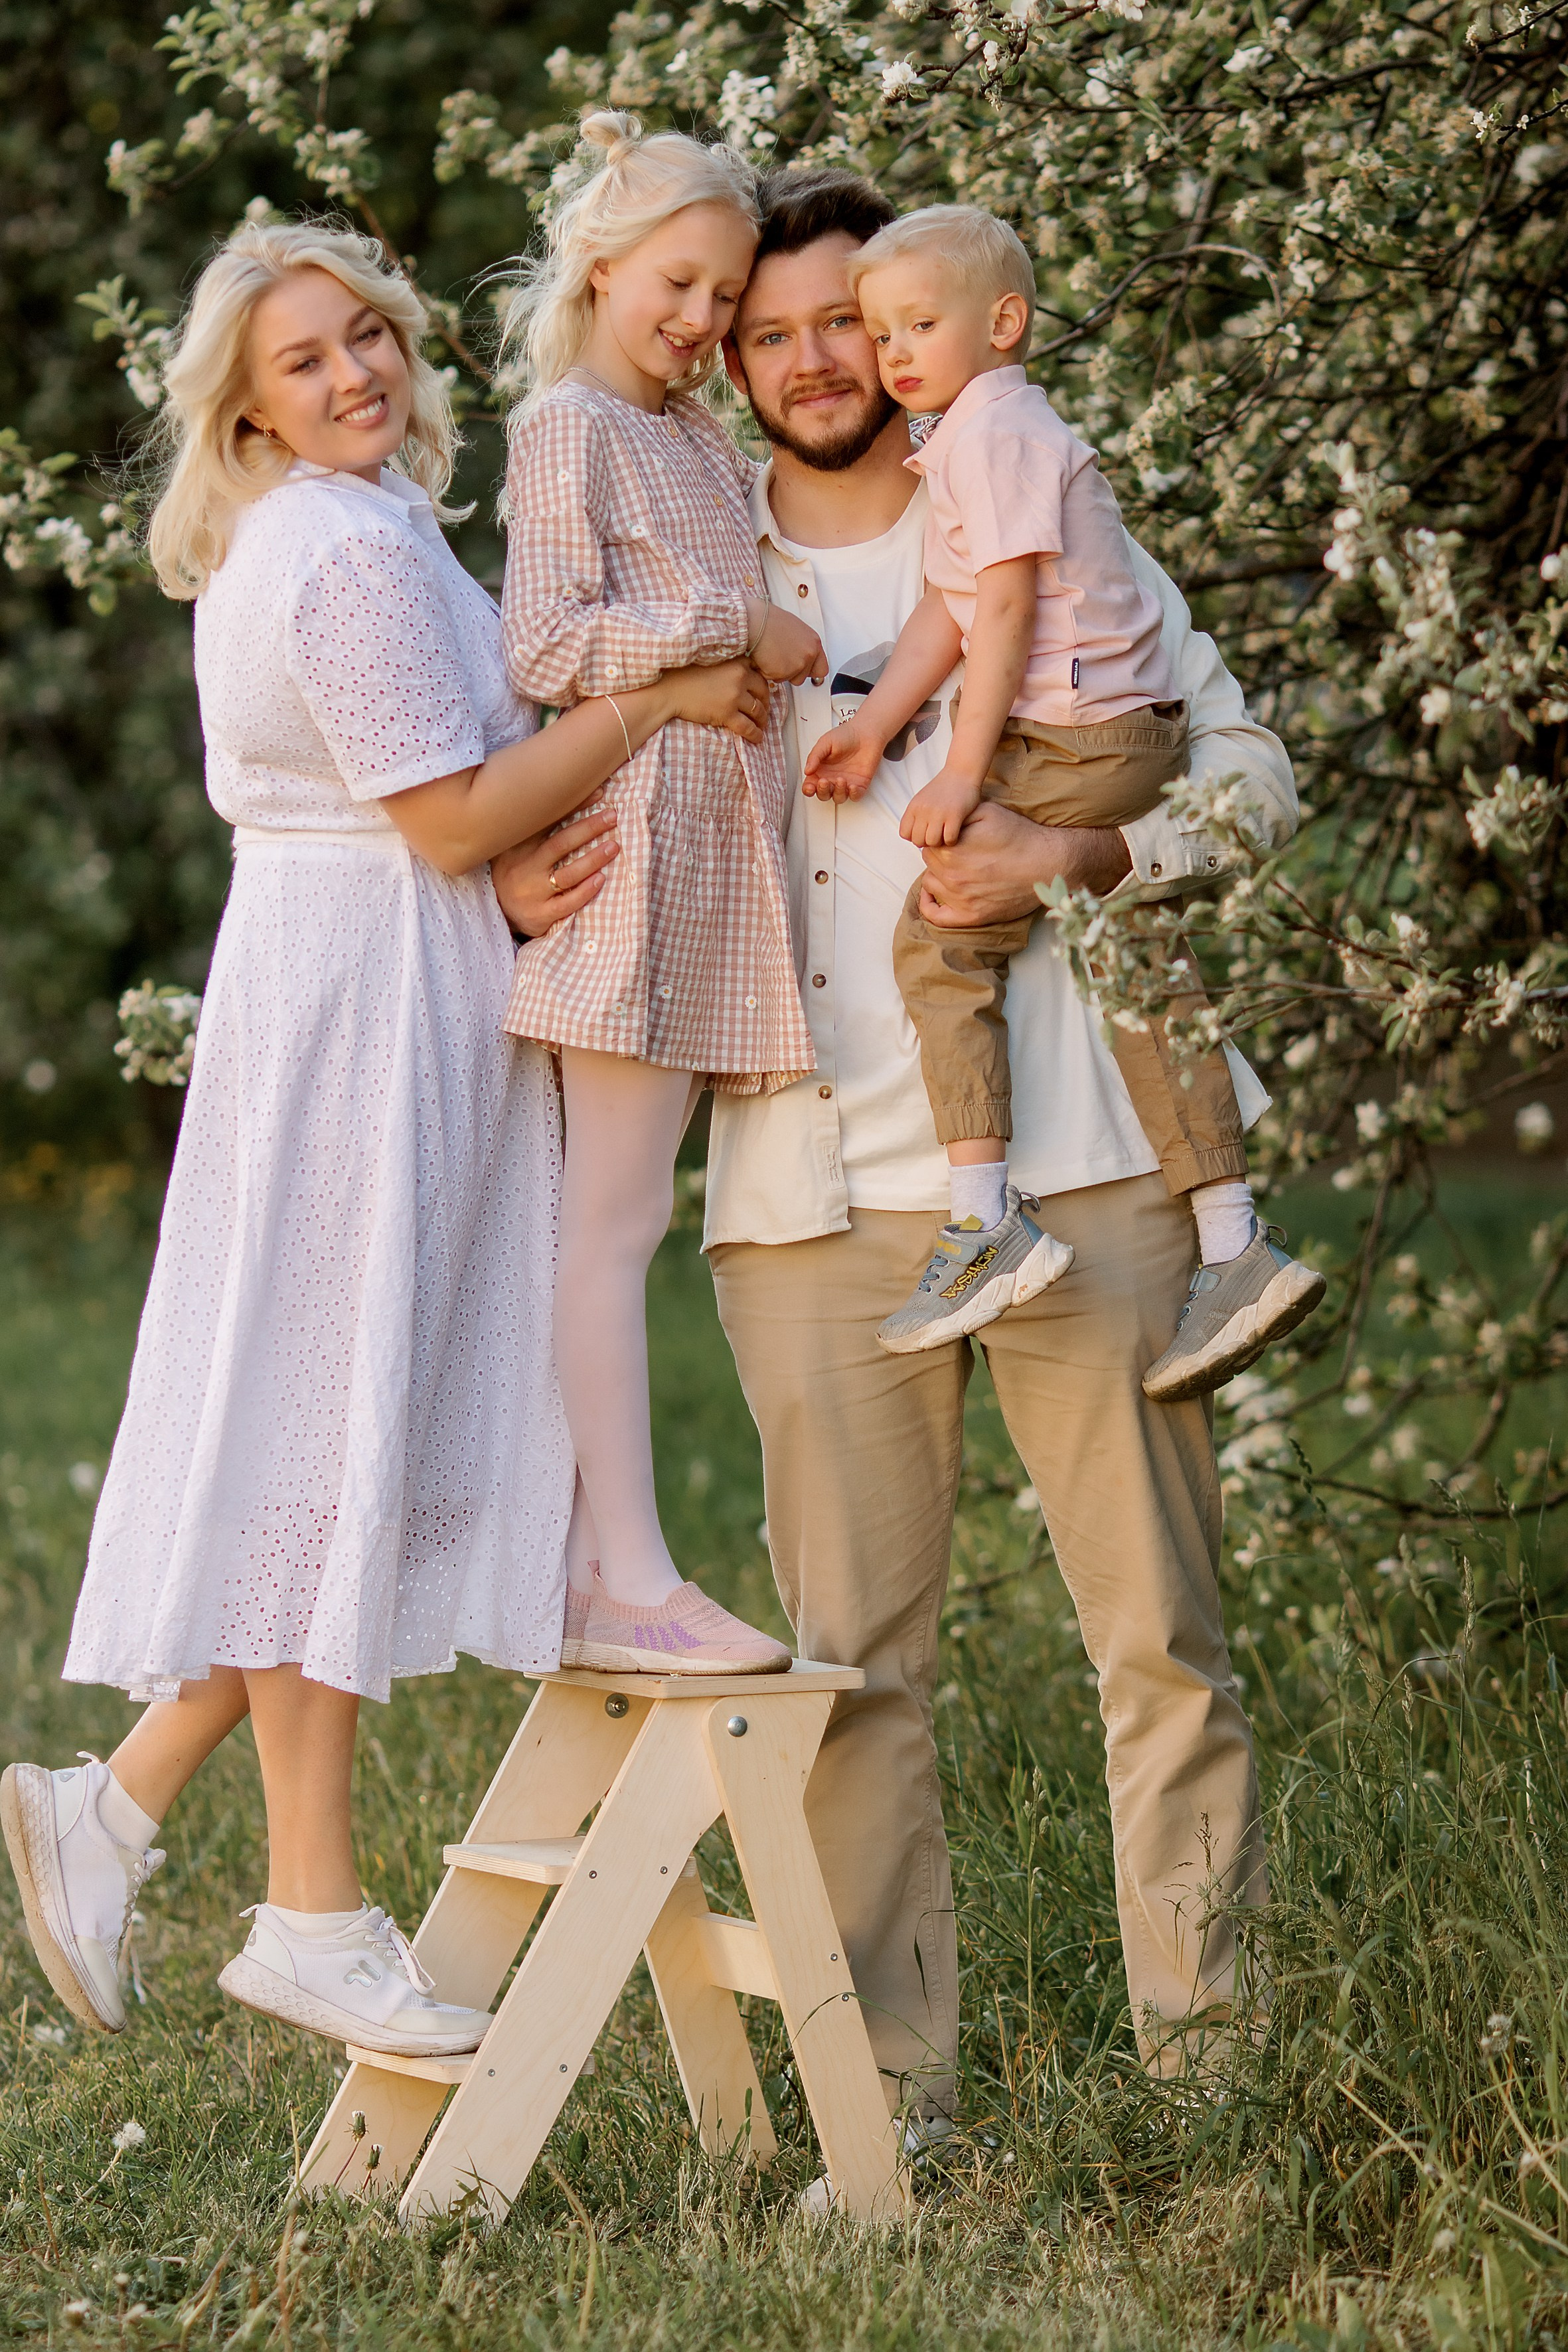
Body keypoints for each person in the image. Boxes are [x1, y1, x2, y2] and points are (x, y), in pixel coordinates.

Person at [497, 167, 1294, 2128]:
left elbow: (1252, 769)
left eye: (843, 321)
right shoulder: (688, 562)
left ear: (917, 328)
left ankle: (1216, 2082)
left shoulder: (1040, 511)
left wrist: (1083, 848)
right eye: (764, 331)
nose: (809, 359)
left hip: (1084, 1172)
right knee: (850, 1672)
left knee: (1164, 1644)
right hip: (801, 1197)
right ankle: (893, 2104)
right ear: (733, 358)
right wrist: (512, 878)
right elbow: (522, 783)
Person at [0, 218, 769, 2058]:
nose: (354, 375)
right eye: (302, 362)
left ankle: (107, 1809)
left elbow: (450, 824)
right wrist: (653, 699)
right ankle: (309, 1914)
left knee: (329, 1416)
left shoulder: (371, 525)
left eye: (365, 338)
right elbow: (443, 818)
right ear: (246, 414)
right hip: (354, 1008)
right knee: (324, 1423)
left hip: (385, 983)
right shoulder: (331, 553)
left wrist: (506, 866)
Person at [803, 203, 1324, 1387]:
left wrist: (956, 771)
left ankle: (984, 1220)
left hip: (1078, 735)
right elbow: (949, 601)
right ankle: (1231, 1236)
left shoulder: (994, 437)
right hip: (1115, 734)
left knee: (938, 949)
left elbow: (1003, 616)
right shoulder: (977, 438)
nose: (890, 356)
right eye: (877, 331)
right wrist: (878, 723)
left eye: (913, 325)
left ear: (1003, 323)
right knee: (1139, 962)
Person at [495, 112, 825, 1676]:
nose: (699, 324)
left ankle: (585, 1551)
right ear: (602, 266)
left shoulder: (695, 435)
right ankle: (623, 1570)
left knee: (623, 1213)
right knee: (611, 1221)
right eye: (675, 288)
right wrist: (724, 637)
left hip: (707, 871)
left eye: (721, 298)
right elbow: (545, 645)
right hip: (628, 865)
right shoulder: (568, 425)